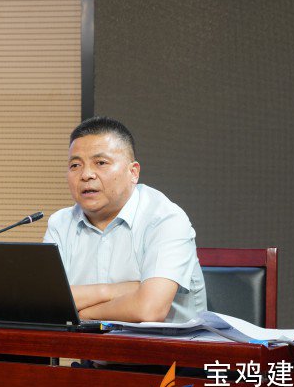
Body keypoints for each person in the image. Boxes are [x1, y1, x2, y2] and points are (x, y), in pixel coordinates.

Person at [44, 116, 207, 323]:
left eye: (100, 163)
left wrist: (82, 315)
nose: (86, 175)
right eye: (75, 165)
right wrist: (113, 290)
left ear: (133, 172)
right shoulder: (60, 223)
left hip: (166, 344)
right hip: (86, 345)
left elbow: (149, 310)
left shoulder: (165, 219)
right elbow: (44, 302)